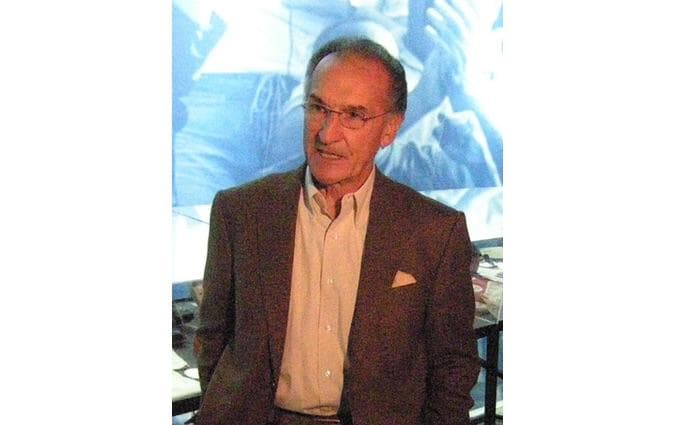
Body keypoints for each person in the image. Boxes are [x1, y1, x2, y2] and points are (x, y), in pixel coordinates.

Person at [195, 38, 480, 425]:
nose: (328, 134)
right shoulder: (241, 212)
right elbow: (212, 338)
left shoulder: (434, 231)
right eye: (318, 108)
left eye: (354, 116)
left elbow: (453, 366)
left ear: (390, 129)